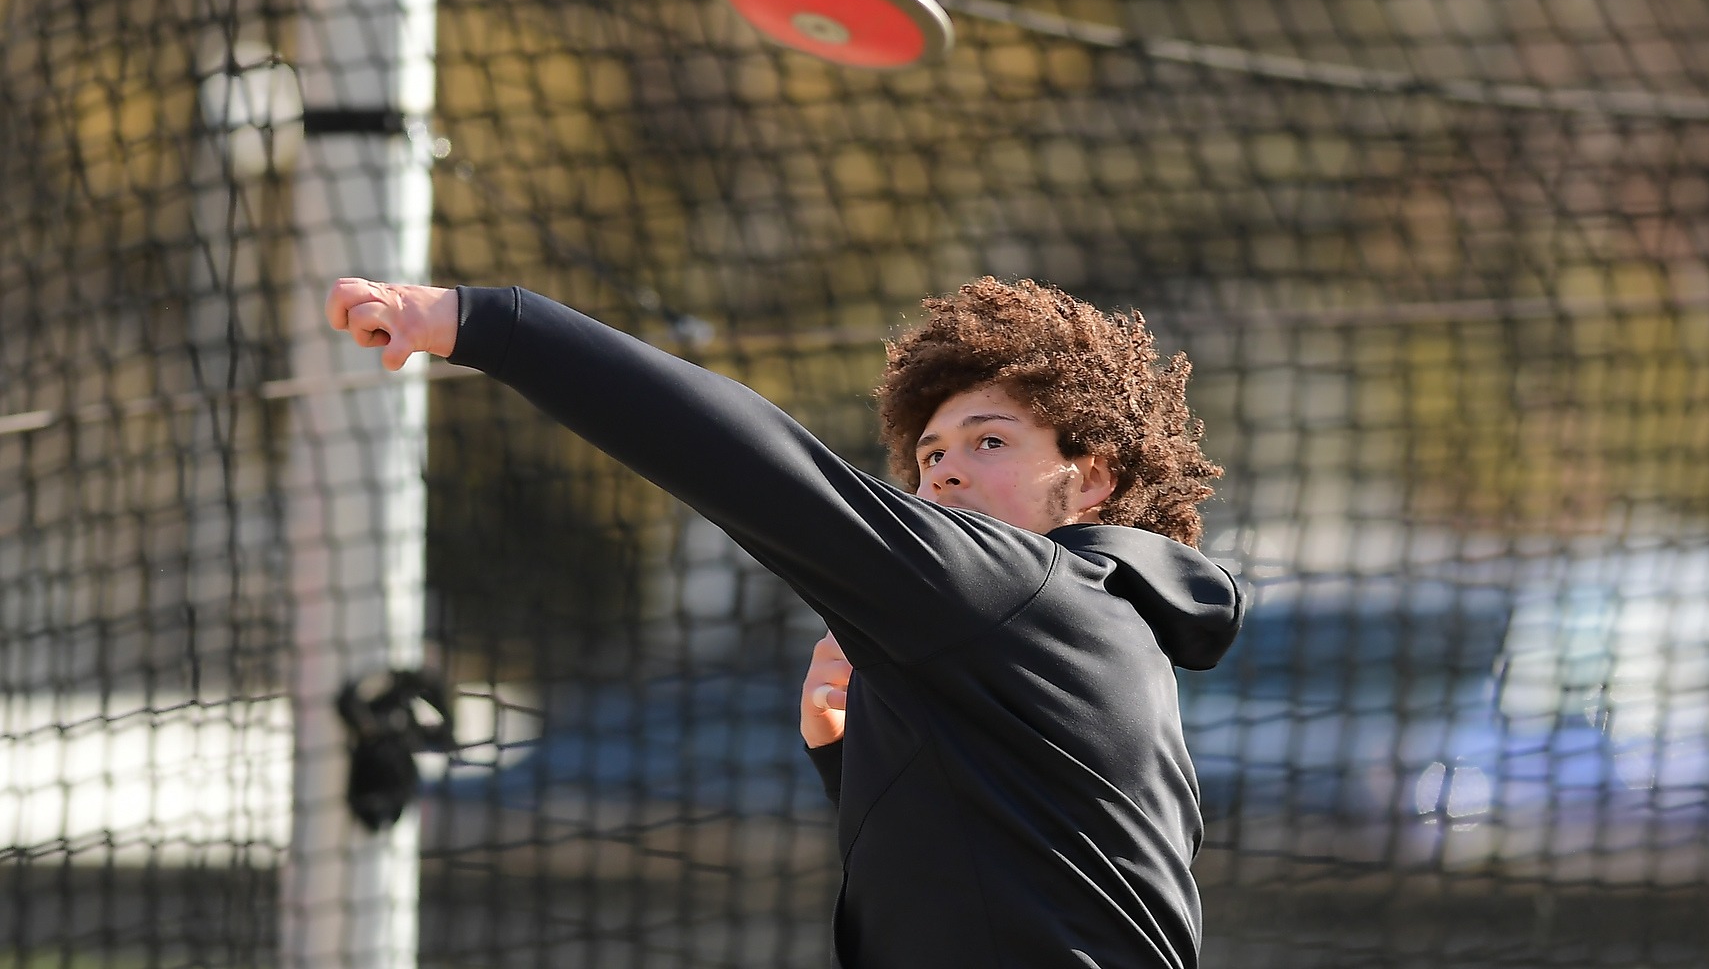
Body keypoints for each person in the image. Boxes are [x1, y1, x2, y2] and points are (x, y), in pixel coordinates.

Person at [326, 275, 1244, 969]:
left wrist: (484, 323)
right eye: (929, 455)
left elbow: (753, 463)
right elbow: (1009, 879)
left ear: (1089, 482)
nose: (946, 473)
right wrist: (851, 762)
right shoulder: (1105, 628)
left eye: (990, 441)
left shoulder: (1022, 588)